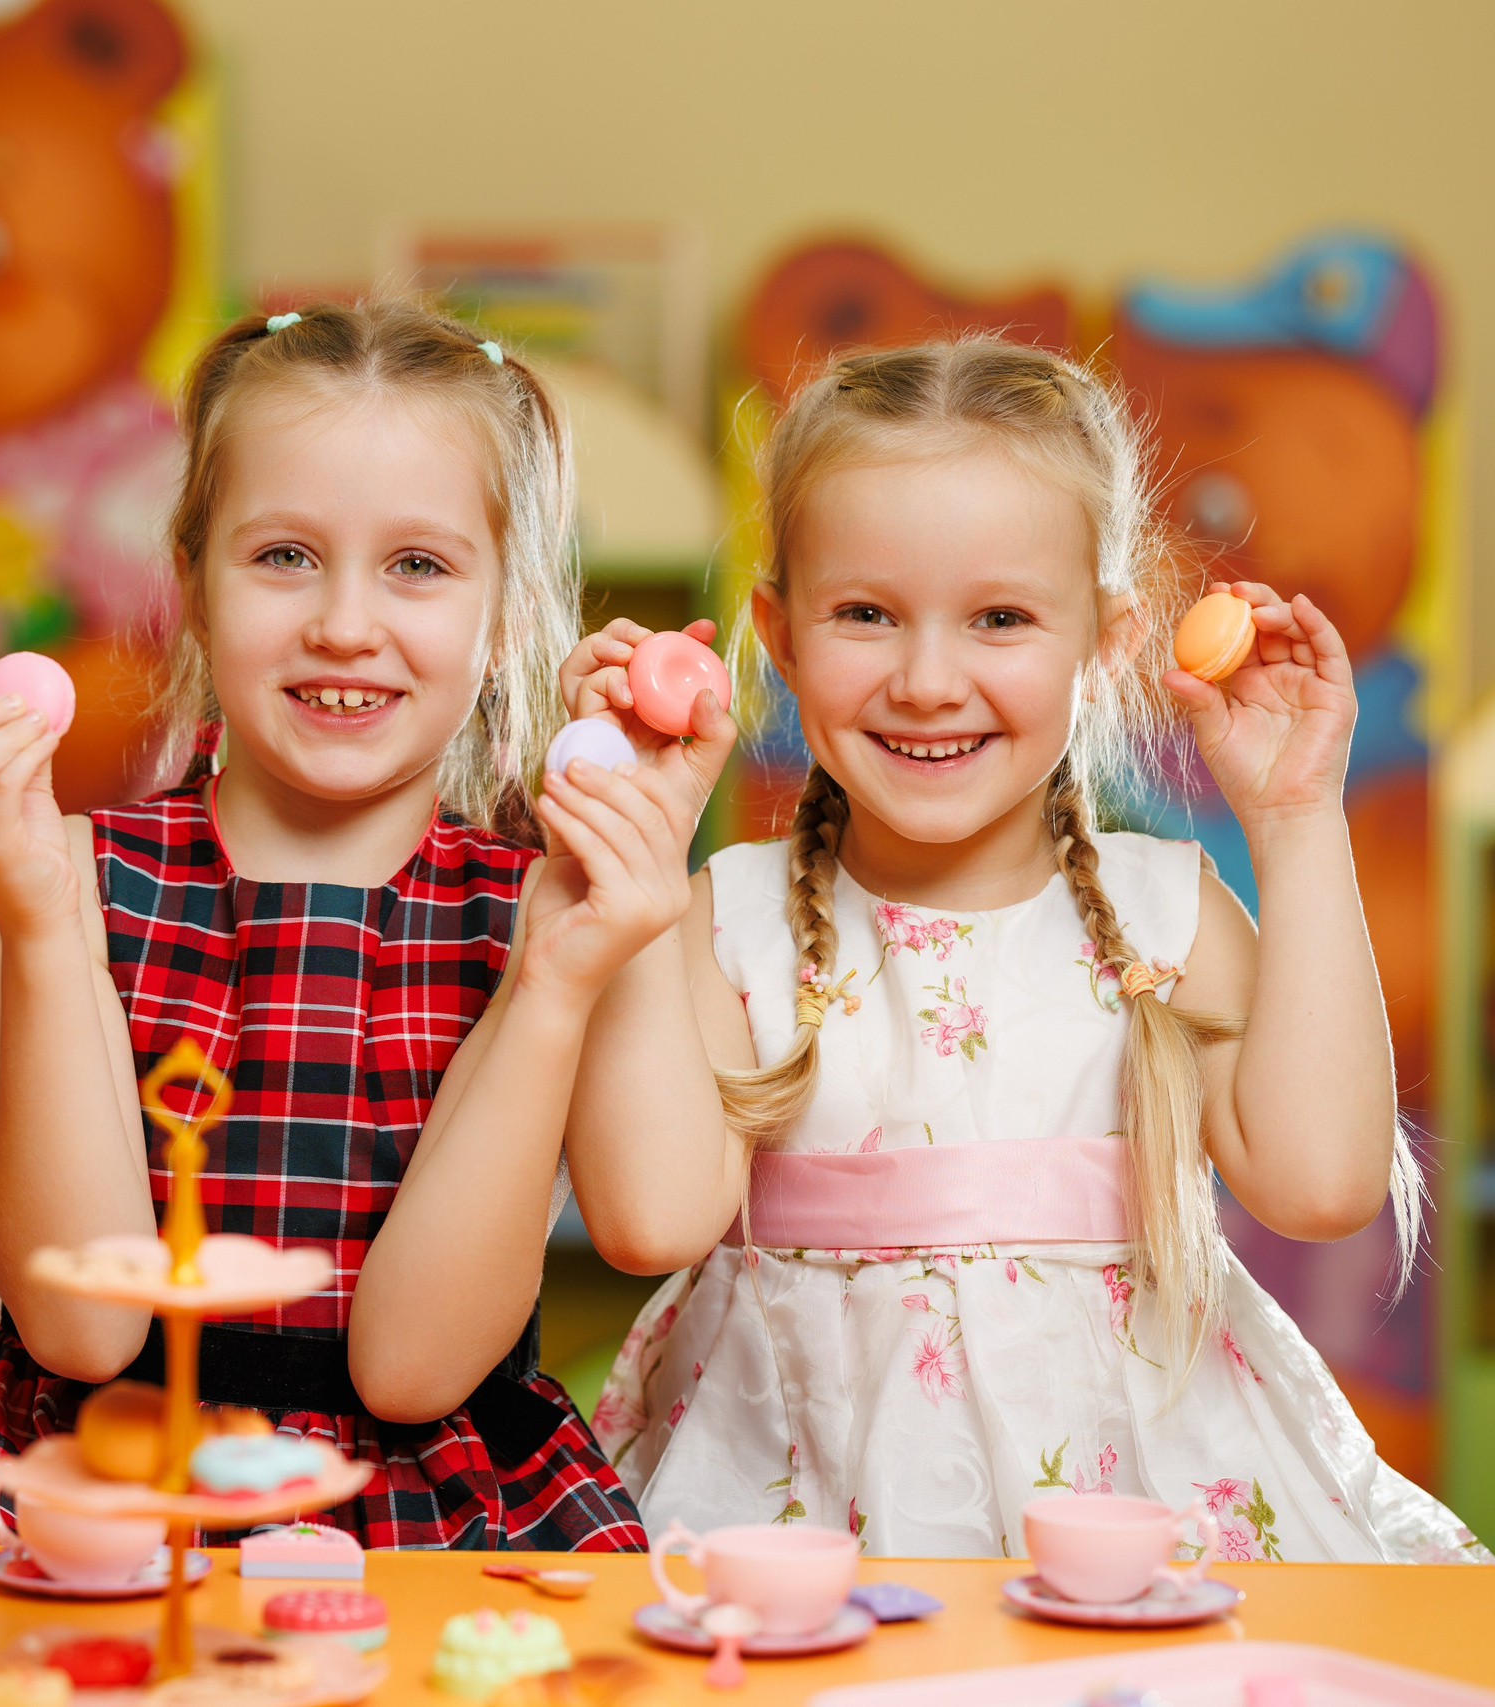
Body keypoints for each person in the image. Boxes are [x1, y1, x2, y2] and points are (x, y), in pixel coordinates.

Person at [579, 337, 1484, 1562]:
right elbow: (648, 1222)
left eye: (999, 618)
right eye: (865, 615)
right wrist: (636, 855)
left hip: (1134, 1517)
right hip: (797, 1503)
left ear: (1104, 640)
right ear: (778, 639)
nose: (928, 679)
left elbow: (1323, 1187)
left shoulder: (1166, 907)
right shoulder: (717, 916)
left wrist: (1294, 818)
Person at [0, 300, 726, 1549]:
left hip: (420, 1530)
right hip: (107, 1507)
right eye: (283, 556)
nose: (344, 623)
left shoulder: (538, 910)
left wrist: (568, 962)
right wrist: (42, 927)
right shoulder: (62, 878)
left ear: (503, 618)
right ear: (193, 586)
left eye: (419, 566)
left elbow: (414, 1370)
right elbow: (84, 1327)